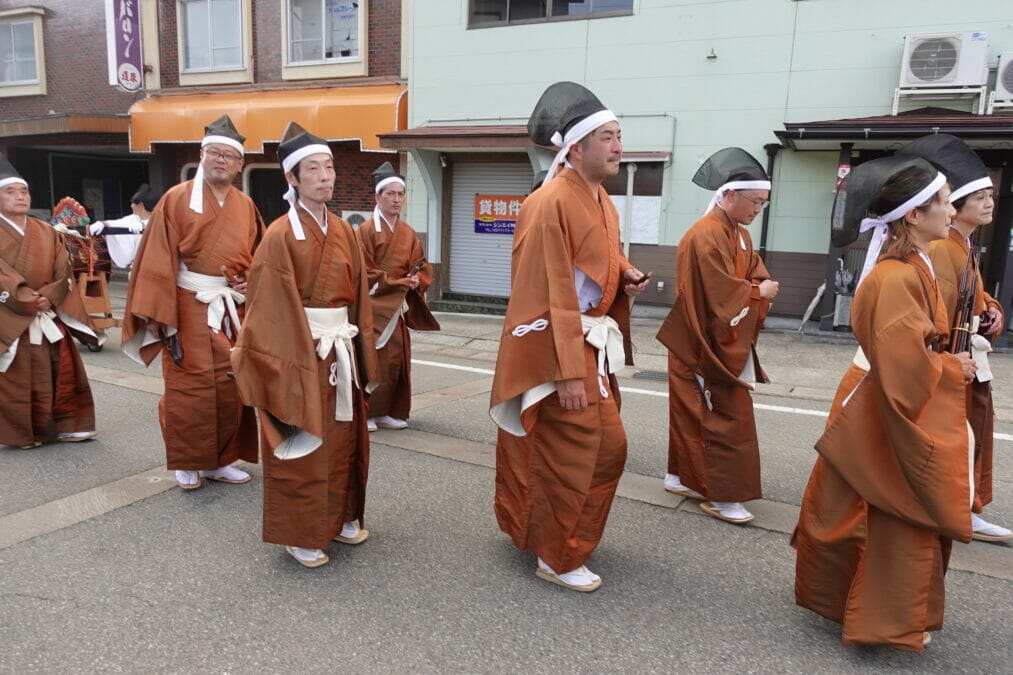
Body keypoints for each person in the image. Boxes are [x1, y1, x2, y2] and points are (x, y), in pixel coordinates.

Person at [792, 156, 975, 652]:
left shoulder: (915, 265)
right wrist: (951, 368)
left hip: (885, 393)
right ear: (914, 215)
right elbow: (902, 363)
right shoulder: (896, 276)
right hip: (886, 397)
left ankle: (863, 609)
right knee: (889, 512)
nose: (951, 210)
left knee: (860, 506)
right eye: (943, 202)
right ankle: (880, 620)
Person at [489, 82, 649, 592]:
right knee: (583, 449)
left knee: (591, 449)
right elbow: (543, 289)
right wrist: (564, 369)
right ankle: (557, 554)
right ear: (576, 148)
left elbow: (592, 259)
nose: (619, 146)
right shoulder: (550, 200)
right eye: (607, 136)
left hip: (587, 340)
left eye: (620, 135)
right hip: (564, 345)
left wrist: (622, 272)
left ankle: (555, 535)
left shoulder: (601, 198)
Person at [232, 122, 379, 568]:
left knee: (345, 436)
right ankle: (302, 532)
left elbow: (358, 302)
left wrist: (363, 356)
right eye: (313, 169)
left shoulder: (344, 230)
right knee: (307, 435)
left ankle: (343, 515)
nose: (326, 176)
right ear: (292, 179)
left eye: (330, 167)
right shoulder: (278, 235)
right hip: (300, 351)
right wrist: (285, 365)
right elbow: (268, 307)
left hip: (340, 347)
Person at [121, 115, 263, 490]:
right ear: (201, 155)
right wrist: (156, 315)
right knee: (190, 389)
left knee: (232, 384)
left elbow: (258, 255)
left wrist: (250, 281)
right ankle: (188, 461)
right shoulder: (176, 199)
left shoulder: (246, 205)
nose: (221, 160)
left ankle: (222, 459)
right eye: (214, 153)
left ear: (239, 164)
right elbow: (156, 257)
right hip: (187, 304)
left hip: (231, 306)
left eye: (229, 156)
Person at [656, 148, 778, 525]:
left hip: (709, 338)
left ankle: (680, 477)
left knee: (693, 413)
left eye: (763, 203)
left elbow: (752, 274)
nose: (758, 209)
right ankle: (723, 496)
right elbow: (720, 294)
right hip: (702, 341)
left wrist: (756, 288)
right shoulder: (706, 235)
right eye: (755, 202)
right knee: (723, 417)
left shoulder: (737, 235)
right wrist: (758, 294)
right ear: (728, 196)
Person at [899, 134, 1011, 543]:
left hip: (964, 357)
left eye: (990, 195)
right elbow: (939, 313)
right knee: (956, 435)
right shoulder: (945, 248)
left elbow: (973, 298)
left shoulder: (963, 245)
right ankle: (955, 506)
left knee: (971, 432)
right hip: (952, 361)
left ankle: (964, 505)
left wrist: (990, 310)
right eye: (978, 197)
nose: (989, 202)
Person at [0, 153, 102, 448]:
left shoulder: (46, 231)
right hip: (9, 313)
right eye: (11, 192)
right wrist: (25, 299)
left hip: (46, 311)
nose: (20, 197)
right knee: (17, 374)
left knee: (62, 368)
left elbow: (63, 269)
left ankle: (68, 424)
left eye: (24, 191)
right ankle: (25, 432)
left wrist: (49, 295)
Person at [355, 161, 439, 433]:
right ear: (377, 197)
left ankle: (389, 410)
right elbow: (362, 269)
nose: (396, 199)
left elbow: (421, 264)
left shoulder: (408, 233)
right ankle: (367, 411)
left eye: (400, 194)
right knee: (373, 359)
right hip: (374, 305)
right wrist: (394, 282)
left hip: (398, 305)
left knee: (396, 360)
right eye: (389, 194)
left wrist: (416, 279)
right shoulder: (365, 231)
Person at [89, 184, 162, 270]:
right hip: (138, 267)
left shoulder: (160, 218)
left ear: (140, 204)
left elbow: (156, 225)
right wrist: (102, 224)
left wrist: (143, 225)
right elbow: (115, 224)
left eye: (133, 204)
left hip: (158, 265)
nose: (131, 206)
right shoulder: (133, 219)